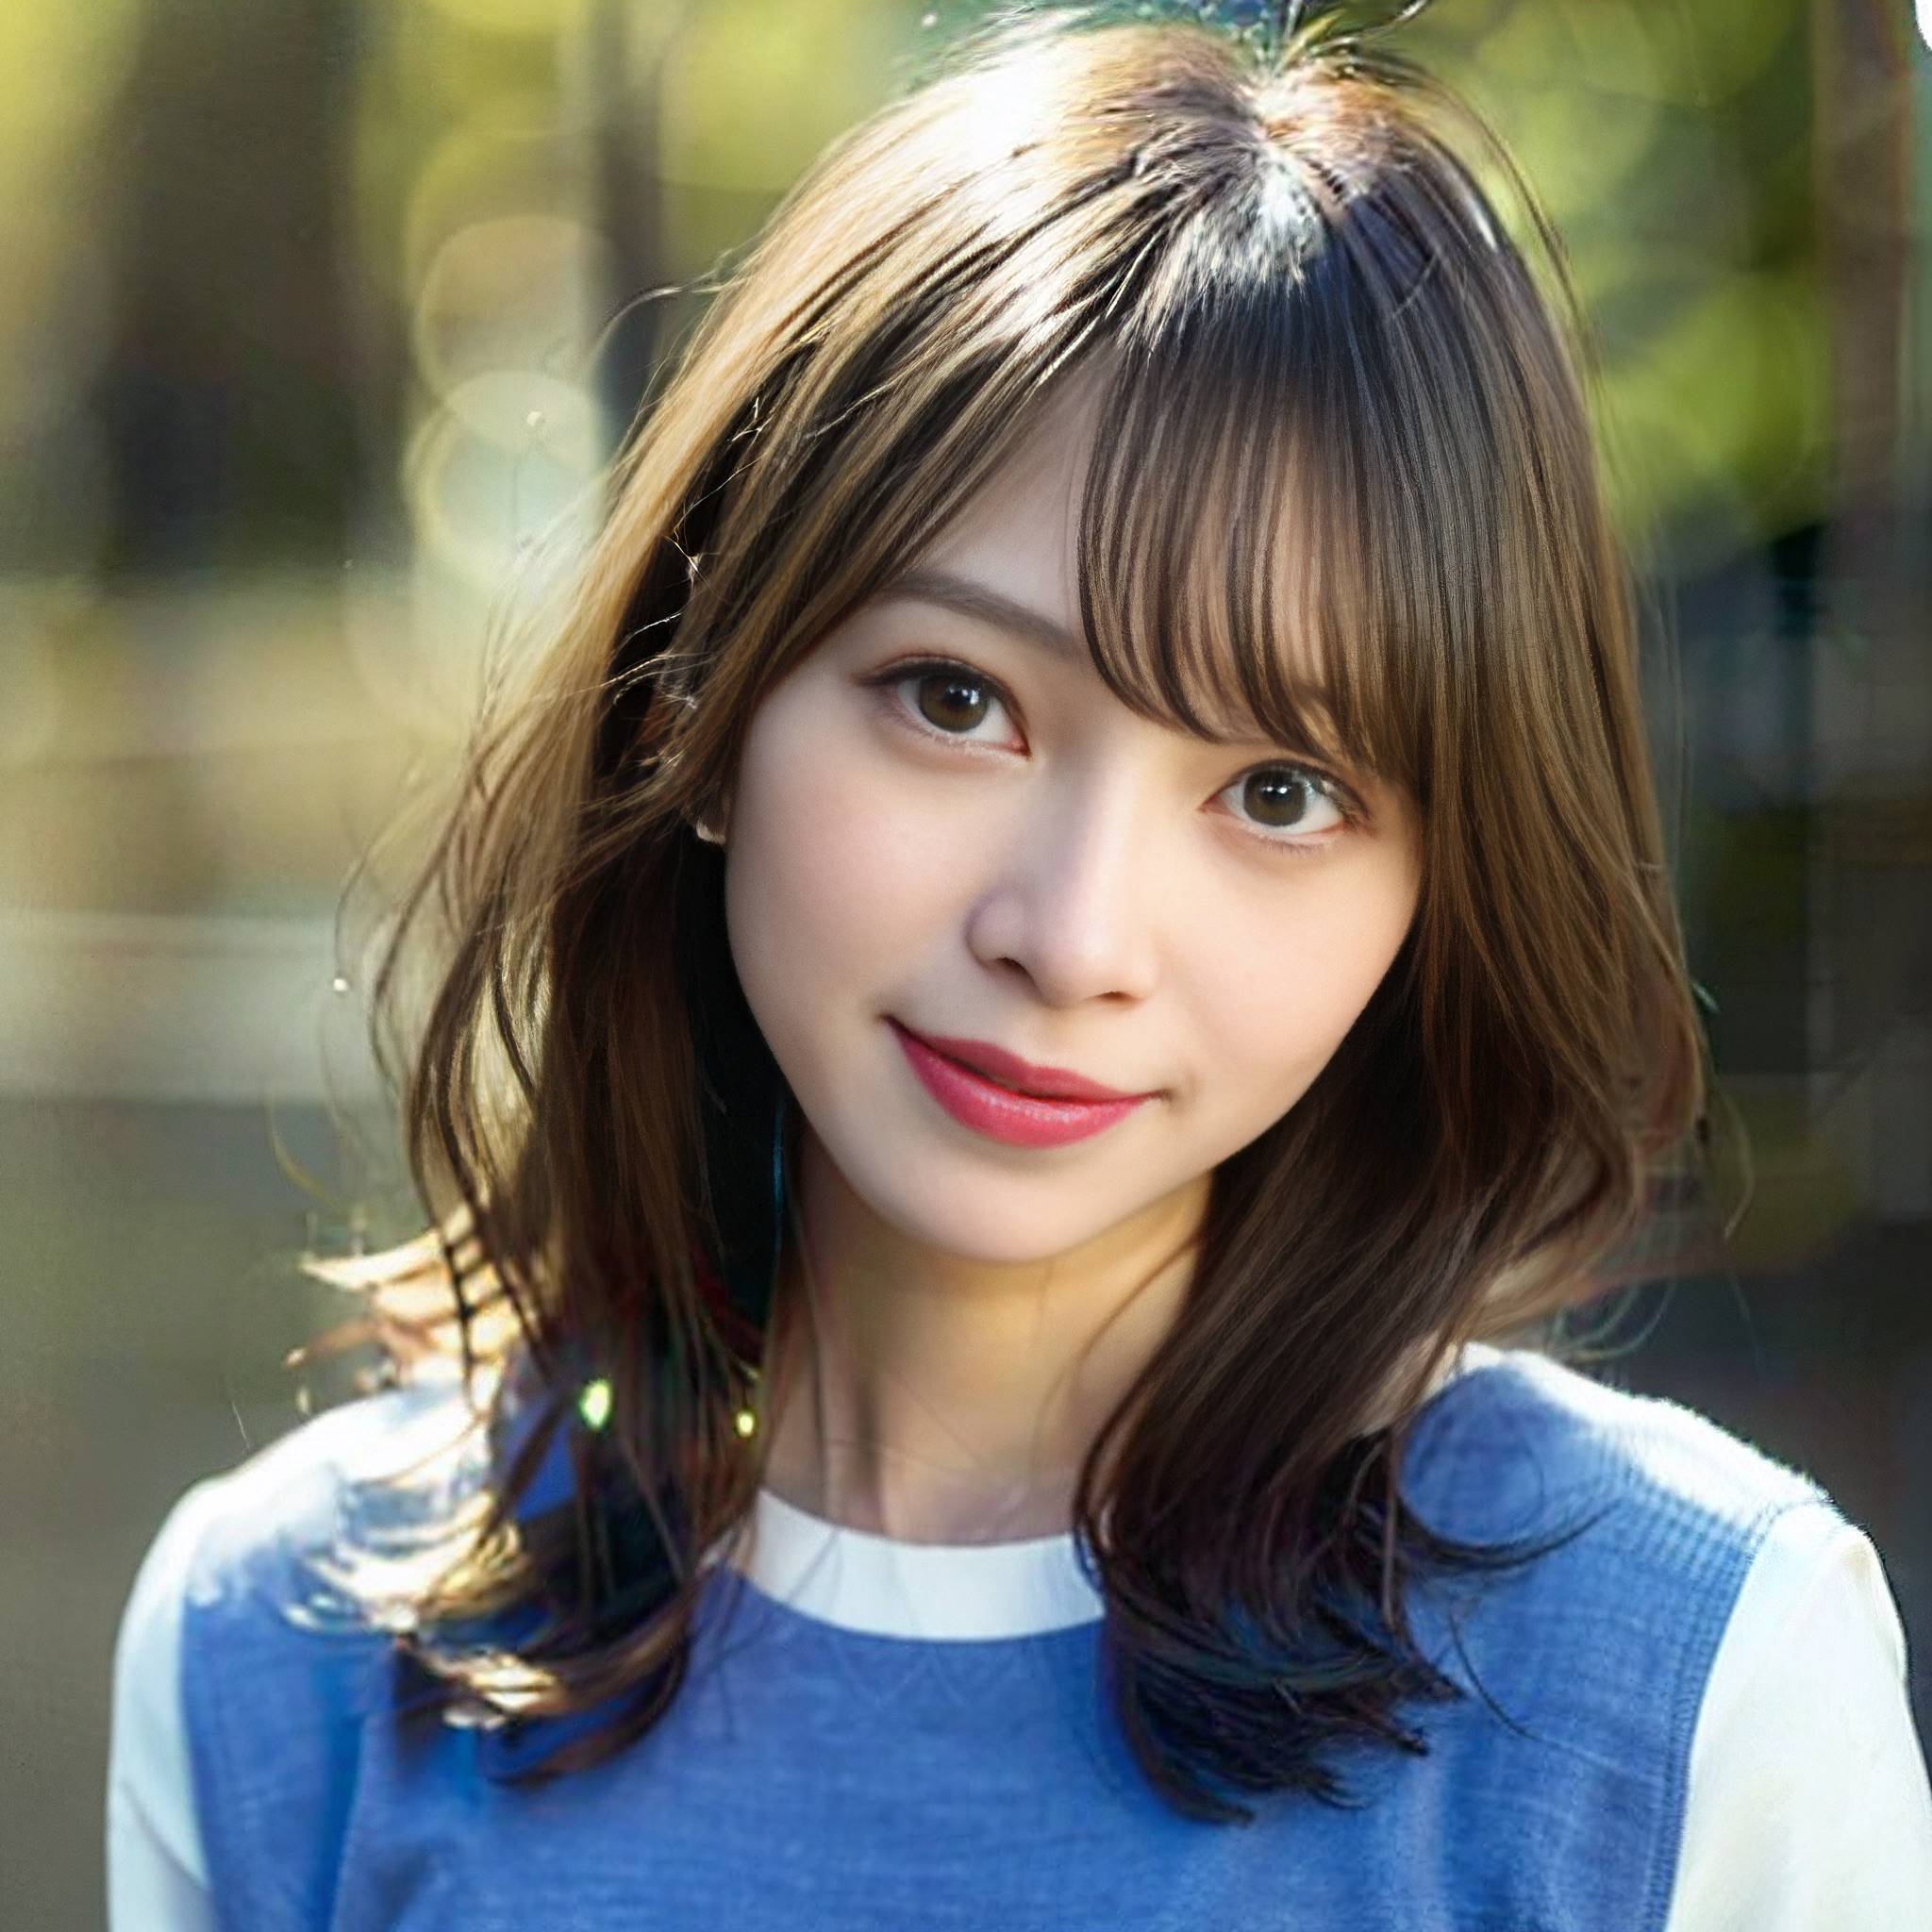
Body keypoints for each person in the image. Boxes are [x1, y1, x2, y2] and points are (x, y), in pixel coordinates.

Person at [107, 6, 1932, 1927]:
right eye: (955, 699)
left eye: (1282, 788)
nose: (1070, 937)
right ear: (704, 703)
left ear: (1436, 882)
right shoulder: (287, 1659)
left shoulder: (1688, 1688)